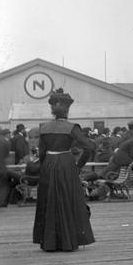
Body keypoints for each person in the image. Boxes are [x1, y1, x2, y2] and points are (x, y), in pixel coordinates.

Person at [32, 89, 96, 251]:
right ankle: (68, 240)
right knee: (68, 199)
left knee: (49, 201)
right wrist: (78, 166)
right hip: (67, 164)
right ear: (67, 110)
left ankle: (49, 242)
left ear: (52, 110)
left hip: (49, 164)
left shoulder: (44, 127)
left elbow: (41, 152)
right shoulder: (72, 127)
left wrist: (46, 167)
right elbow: (89, 147)